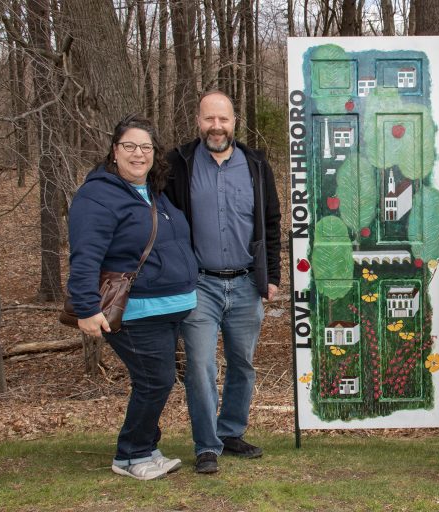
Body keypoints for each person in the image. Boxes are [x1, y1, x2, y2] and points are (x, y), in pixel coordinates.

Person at [67, 115, 198, 480]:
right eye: (129, 146)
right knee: (156, 380)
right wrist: (86, 308)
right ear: (114, 150)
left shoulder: (153, 192)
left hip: (169, 309)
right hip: (135, 312)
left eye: (146, 147)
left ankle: (147, 448)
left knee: (154, 380)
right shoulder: (98, 195)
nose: (138, 154)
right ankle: (130, 455)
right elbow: (85, 255)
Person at [165, 91, 281, 474]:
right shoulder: (177, 166)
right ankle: (206, 446)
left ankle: (230, 432)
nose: (216, 126)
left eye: (224, 119)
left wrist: (273, 277)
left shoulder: (255, 165)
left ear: (235, 122)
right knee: (200, 366)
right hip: (198, 285)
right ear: (198, 120)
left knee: (242, 364)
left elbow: (271, 222)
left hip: (247, 283)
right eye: (209, 119)